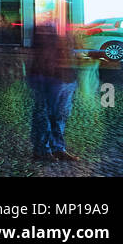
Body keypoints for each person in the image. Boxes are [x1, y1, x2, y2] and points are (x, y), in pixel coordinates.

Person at [28, 28, 79, 161]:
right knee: (46, 115)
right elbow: (43, 55)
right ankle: (43, 150)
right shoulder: (45, 30)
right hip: (51, 77)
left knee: (60, 115)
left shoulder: (64, 29)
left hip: (65, 77)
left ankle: (57, 148)